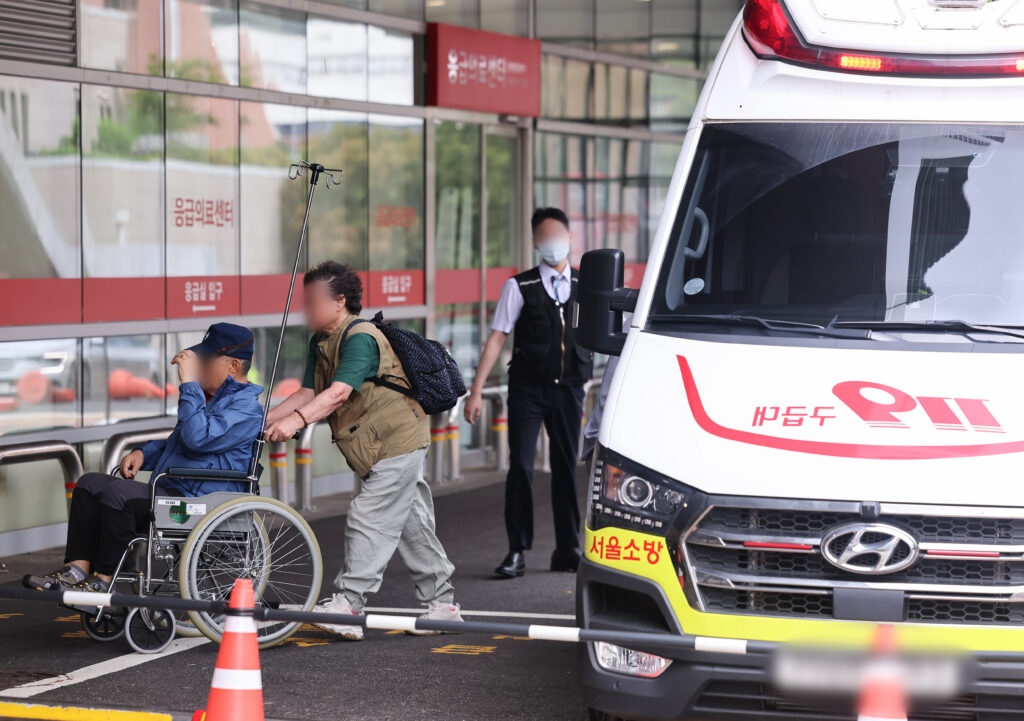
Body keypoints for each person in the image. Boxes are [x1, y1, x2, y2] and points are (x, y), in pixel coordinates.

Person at [265, 260, 461, 641]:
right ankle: (444, 606)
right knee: (412, 525)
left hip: (397, 440)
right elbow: (308, 391)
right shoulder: (321, 341)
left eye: (313, 301)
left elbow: (337, 393)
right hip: (376, 446)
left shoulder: (360, 337)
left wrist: (296, 422)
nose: (306, 308)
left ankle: (350, 606)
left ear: (340, 301)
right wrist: (265, 420)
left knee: (367, 515)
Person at [24, 323, 264, 596]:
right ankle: (77, 570)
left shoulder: (247, 409)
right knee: (88, 484)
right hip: (176, 489)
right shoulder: (211, 399)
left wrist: (188, 385)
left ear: (233, 365)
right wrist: (142, 453)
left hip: (199, 501)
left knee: (119, 493)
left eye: (207, 360)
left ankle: (104, 582)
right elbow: (181, 441)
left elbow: (198, 438)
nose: (200, 366)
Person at [464, 207, 594, 579]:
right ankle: (516, 550)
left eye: (558, 234)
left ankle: (568, 549)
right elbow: (496, 339)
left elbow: (608, 337)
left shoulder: (586, 286)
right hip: (527, 390)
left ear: (570, 238)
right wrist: (476, 391)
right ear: (536, 242)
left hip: (569, 389)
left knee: (567, 468)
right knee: (520, 466)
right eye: (545, 235)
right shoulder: (519, 286)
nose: (552, 242)